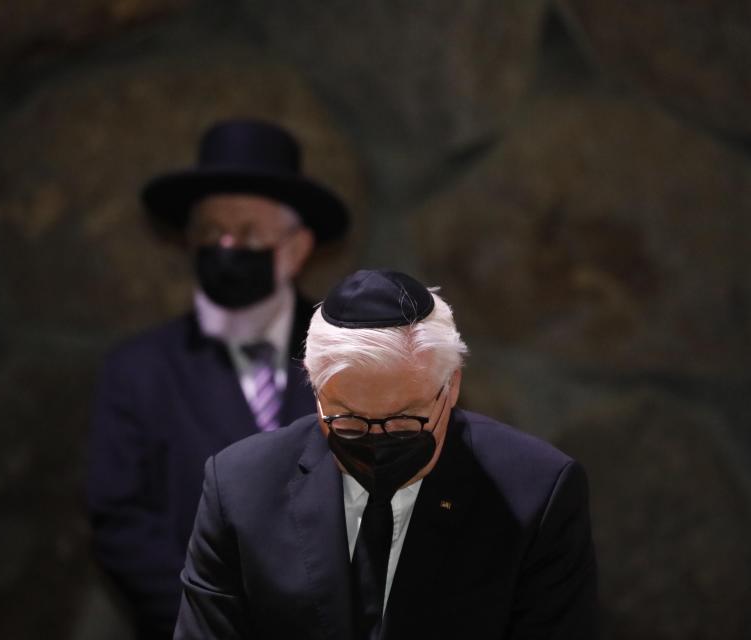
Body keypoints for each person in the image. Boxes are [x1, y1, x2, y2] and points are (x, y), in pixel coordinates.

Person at [175, 269, 598, 639]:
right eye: (350, 422)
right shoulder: (240, 486)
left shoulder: (535, 494)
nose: (377, 442)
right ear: (316, 389)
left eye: (402, 422)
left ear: (451, 387)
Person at [86, 119, 350, 639]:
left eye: (248, 233)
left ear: (296, 249)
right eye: (210, 232)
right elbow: (120, 520)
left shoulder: (354, 361)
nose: (227, 247)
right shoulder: (139, 371)